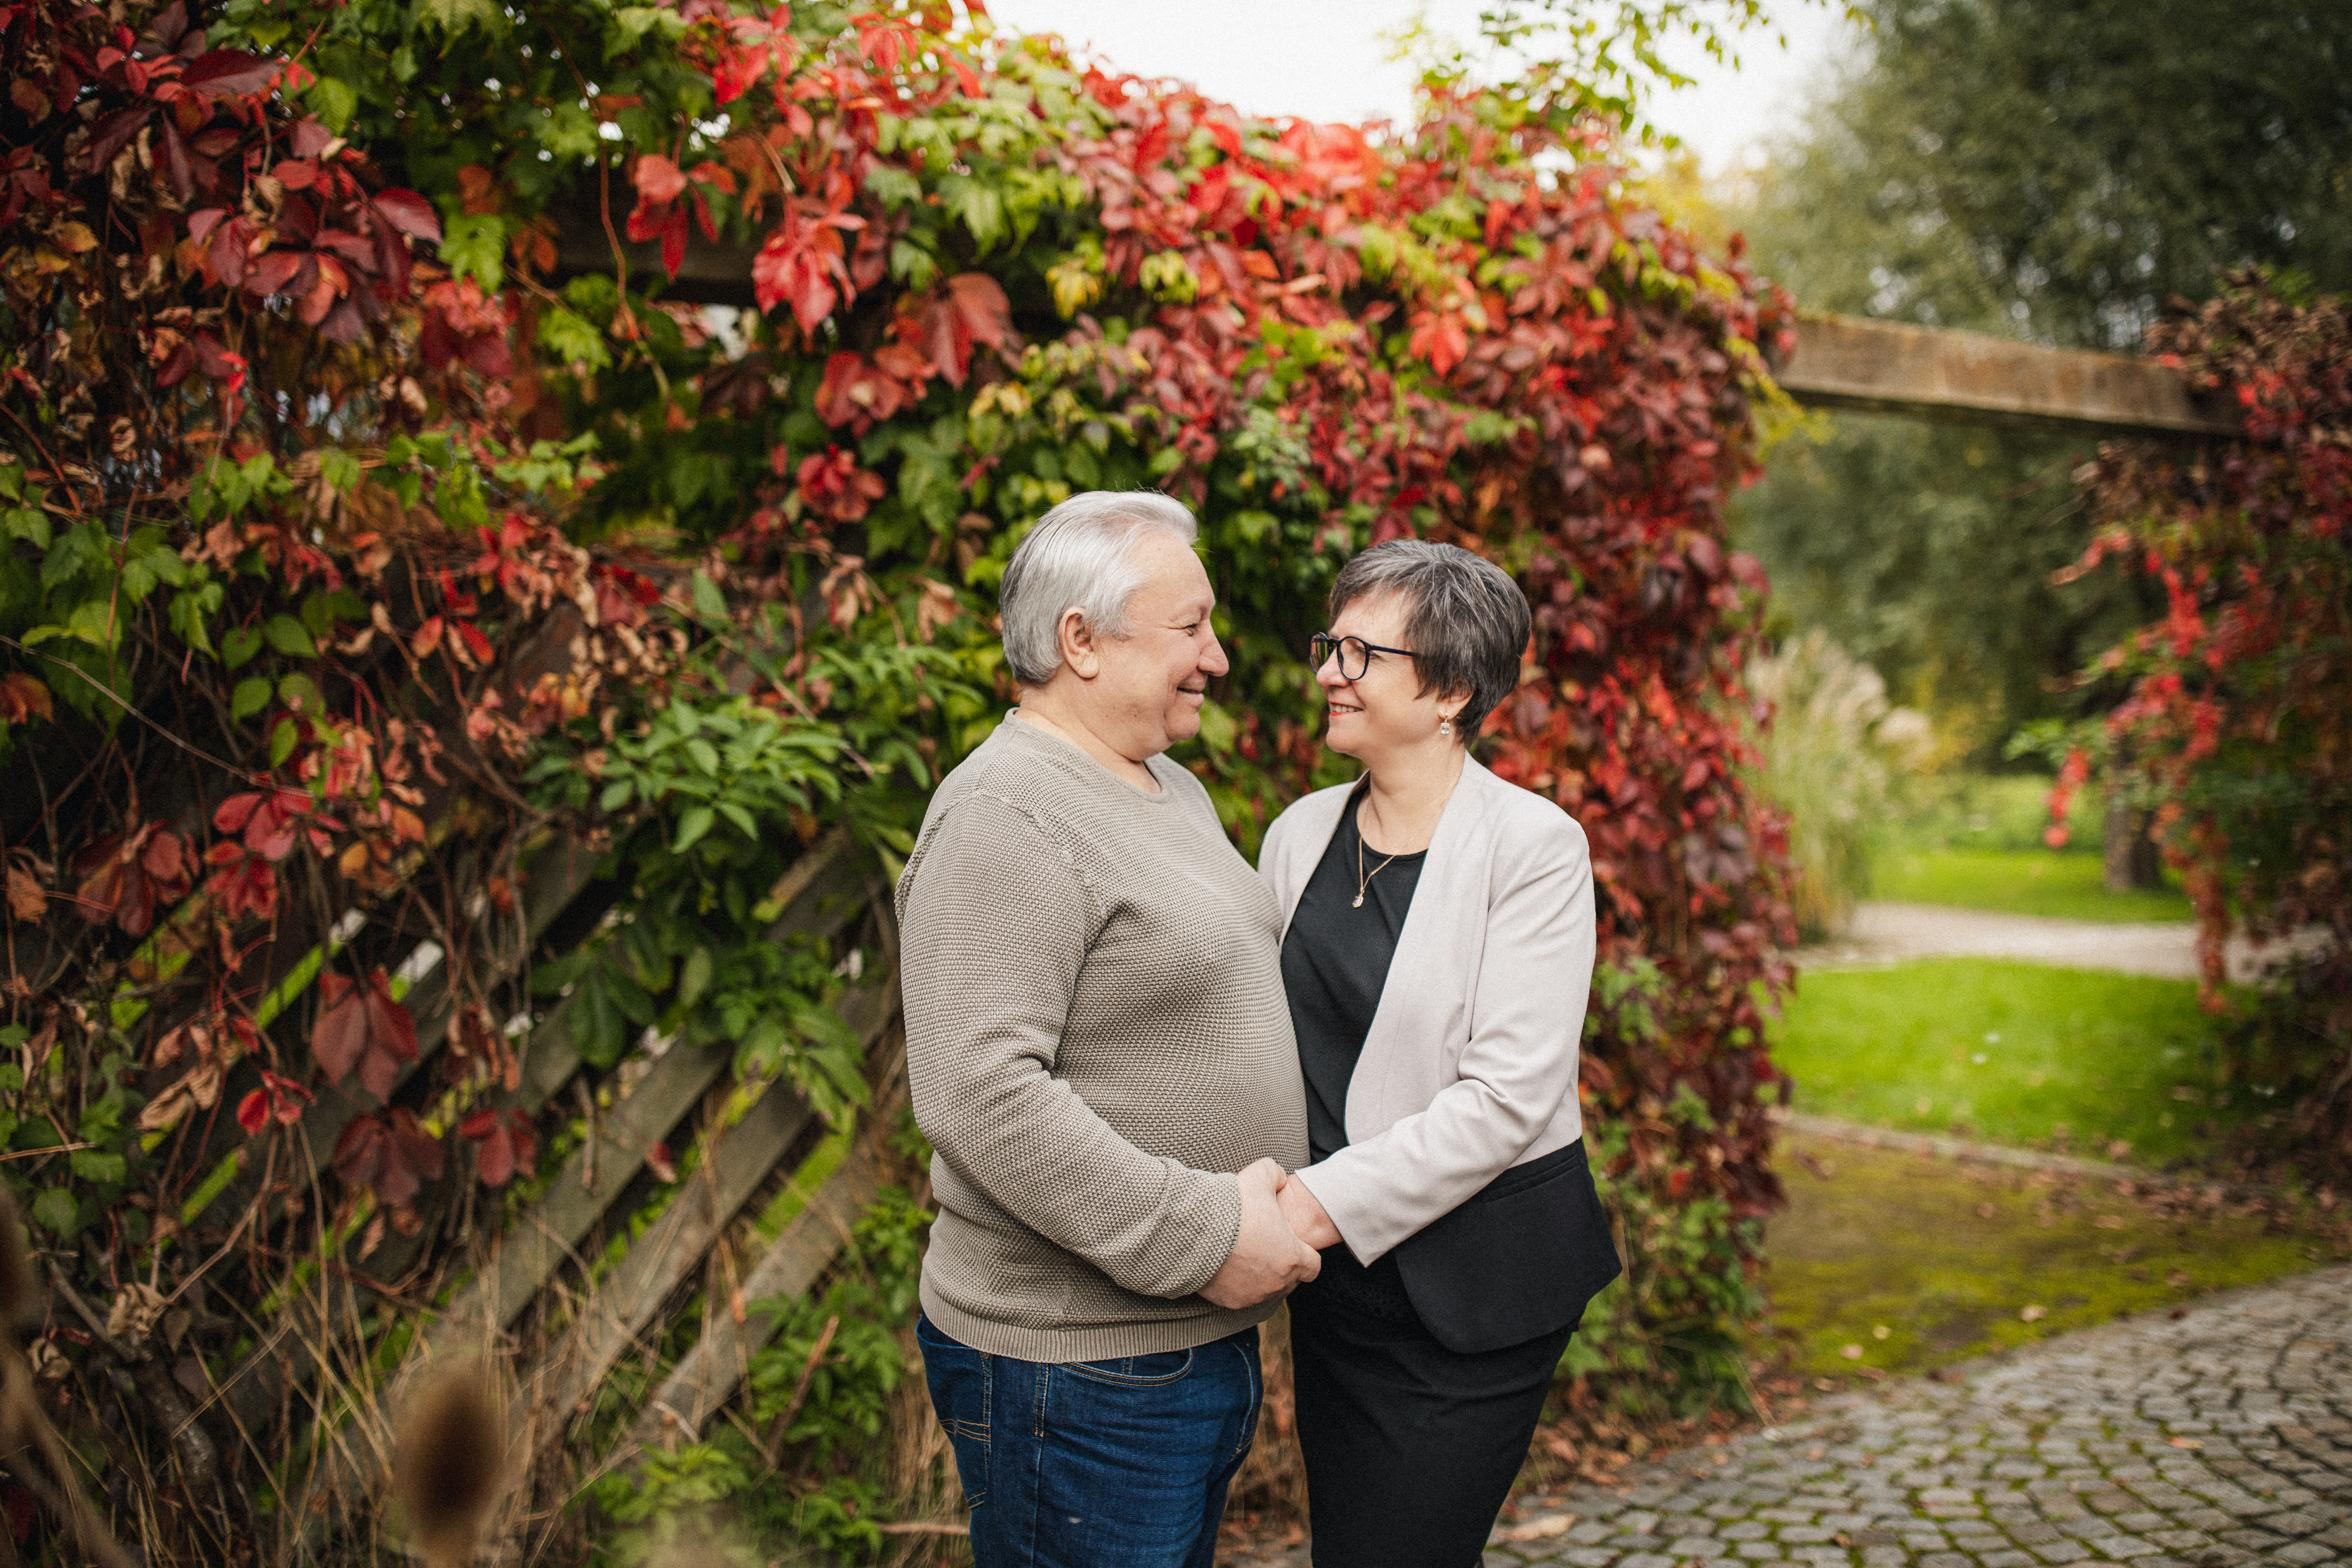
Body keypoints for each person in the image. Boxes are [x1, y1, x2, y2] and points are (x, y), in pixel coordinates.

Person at [897, 490, 1319, 1568]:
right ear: (1080, 640)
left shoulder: (1168, 787)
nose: (1217, 657)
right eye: (1191, 627)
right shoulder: (1004, 812)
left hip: (1176, 1355)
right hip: (1076, 1373)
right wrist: (1206, 1235)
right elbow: (980, 1093)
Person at [1259, 538, 1624, 1568]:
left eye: (1362, 654)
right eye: (1330, 645)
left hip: (1477, 1289)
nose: (1330, 673)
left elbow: (1508, 1099)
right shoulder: (1297, 834)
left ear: (1453, 690)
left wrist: (1309, 1206)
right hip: (1337, 1287)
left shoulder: (1533, 847)